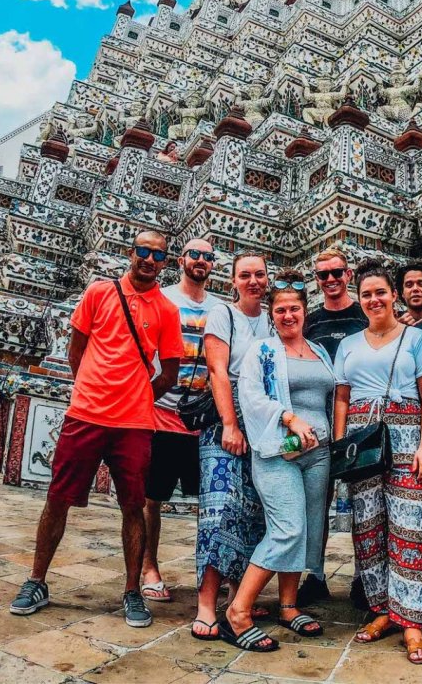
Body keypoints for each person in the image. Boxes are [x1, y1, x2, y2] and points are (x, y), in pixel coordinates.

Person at [9, 230, 184, 628]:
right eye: (143, 251)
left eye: (158, 255)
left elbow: (170, 373)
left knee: (133, 506)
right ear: (130, 253)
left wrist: (137, 395)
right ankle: (36, 580)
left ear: (165, 262)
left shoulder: (167, 311)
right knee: (58, 498)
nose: (149, 259)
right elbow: (76, 349)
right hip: (86, 414)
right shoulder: (98, 293)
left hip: (134, 424)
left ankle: (131, 590)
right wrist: (92, 386)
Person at [223, 272, 336, 651]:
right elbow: (250, 396)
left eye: (295, 309)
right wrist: (289, 417)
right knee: (287, 528)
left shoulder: (320, 352)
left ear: (306, 312)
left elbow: (332, 396)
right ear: (272, 315)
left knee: (306, 528)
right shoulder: (263, 351)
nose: (289, 316)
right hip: (278, 452)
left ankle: (289, 605)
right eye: (281, 310)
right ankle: (238, 611)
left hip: (318, 454)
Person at [334, 261, 422, 665]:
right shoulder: (349, 343)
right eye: (366, 294)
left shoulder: (416, 339)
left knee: (408, 528)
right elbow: (342, 397)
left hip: (407, 434)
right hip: (363, 440)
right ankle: (381, 609)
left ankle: (411, 620)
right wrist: (343, 446)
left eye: (380, 292)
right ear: (359, 299)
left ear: (394, 295)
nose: (374, 300)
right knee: (368, 528)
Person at [194, 252, 273, 641]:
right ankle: (207, 603)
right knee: (221, 507)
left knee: (254, 509)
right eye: (246, 275)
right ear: (234, 280)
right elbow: (217, 370)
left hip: (263, 421)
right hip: (227, 419)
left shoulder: (274, 319)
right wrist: (229, 423)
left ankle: (236, 594)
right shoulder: (224, 315)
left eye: (259, 274)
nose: (253, 281)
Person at [141, 238, 223, 602]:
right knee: (151, 497)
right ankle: (148, 567)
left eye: (208, 256)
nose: (200, 260)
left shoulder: (221, 309)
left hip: (204, 419)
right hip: (161, 412)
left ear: (213, 265)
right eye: (195, 254)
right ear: (181, 260)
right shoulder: (163, 299)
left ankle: (211, 574)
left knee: (212, 501)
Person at [298, 246, 368, 605]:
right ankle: (315, 573)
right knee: (317, 498)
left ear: (348, 275)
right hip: (318, 419)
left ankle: (364, 575)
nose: (330, 280)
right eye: (322, 275)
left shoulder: (364, 315)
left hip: (359, 416)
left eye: (336, 273)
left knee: (363, 498)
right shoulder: (310, 320)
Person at [396, 261, 422, 338]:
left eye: (421, 284)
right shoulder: (393, 323)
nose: (415, 289)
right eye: (409, 285)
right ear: (402, 293)